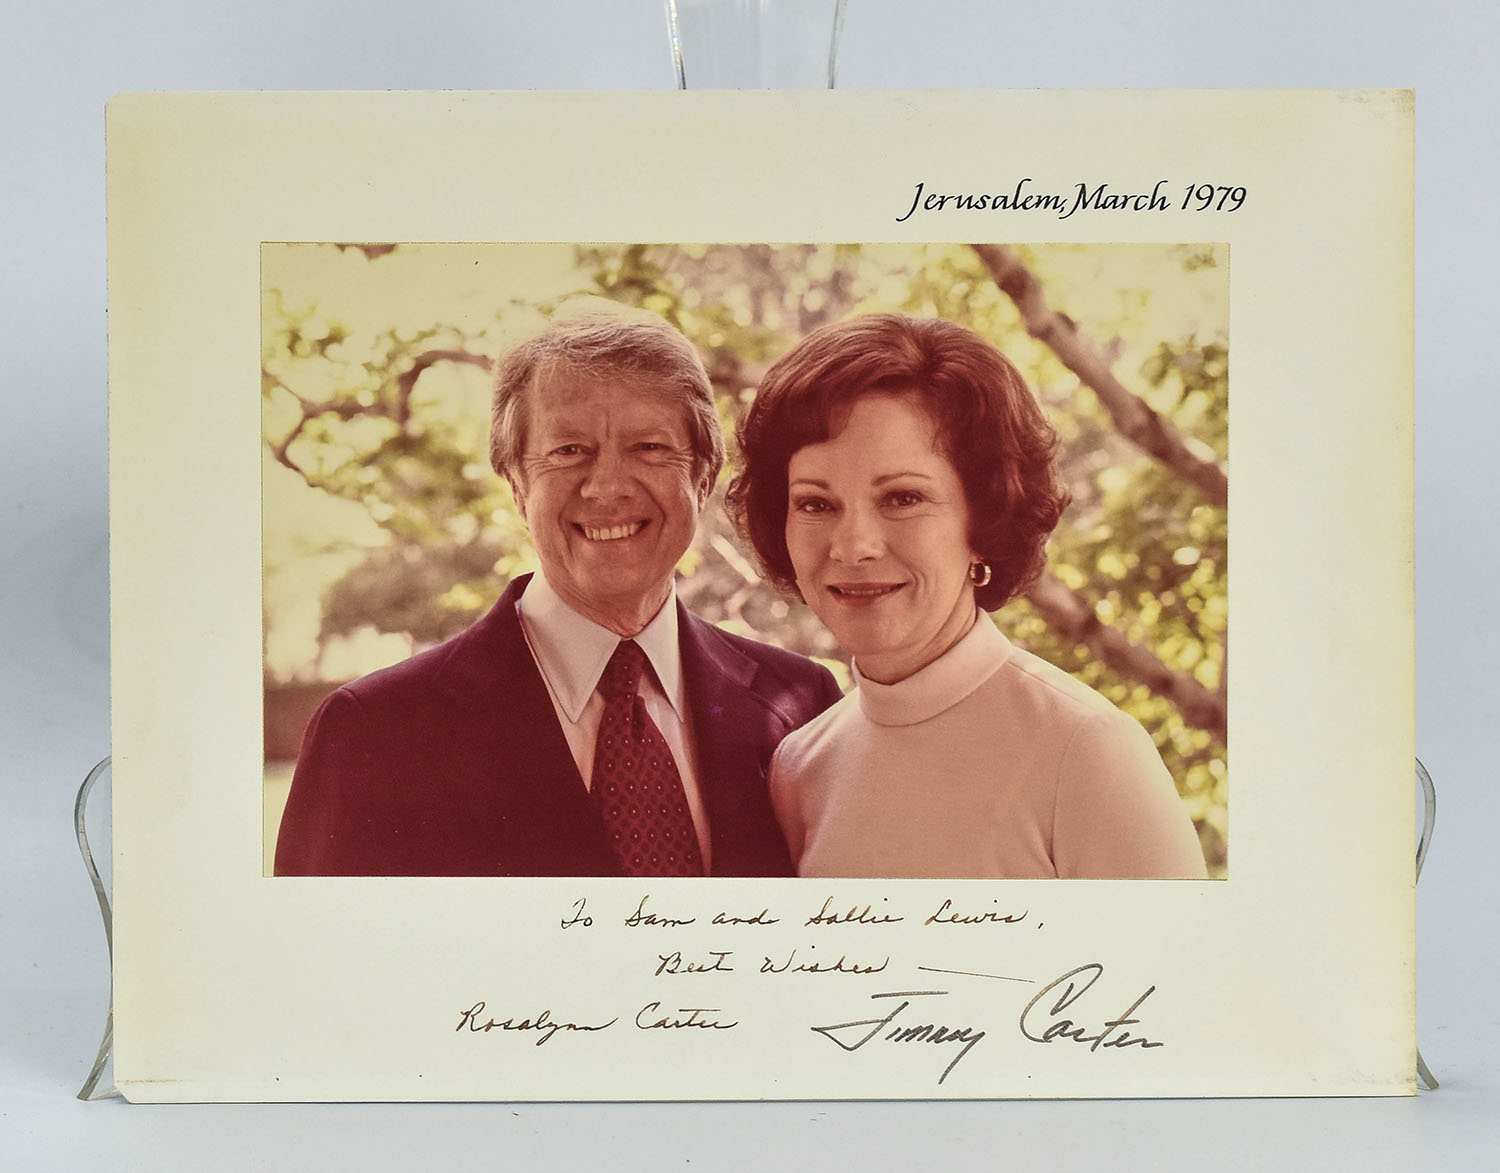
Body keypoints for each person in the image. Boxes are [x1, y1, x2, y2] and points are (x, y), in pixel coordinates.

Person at [275, 315, 842, 877]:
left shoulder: (800, 706)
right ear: (517, 486)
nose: (607, 486)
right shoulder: (375, 736)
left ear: (702, 476)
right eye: (569, 450)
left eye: (648, 447)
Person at [726, 313, 1207, 879]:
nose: (852, 545)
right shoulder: (800, 770)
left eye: (903, 498)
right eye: (814, 504)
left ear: (983, 519)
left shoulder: (1085, 750)